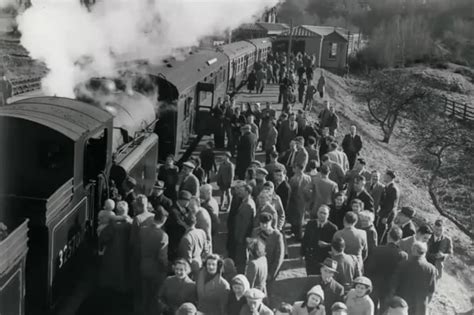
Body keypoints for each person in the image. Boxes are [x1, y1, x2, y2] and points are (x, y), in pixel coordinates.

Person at [365, 226, 408, 314]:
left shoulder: (377, 249)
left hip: (375, 284)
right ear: (399, 239)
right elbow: (402, 274)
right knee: (385, 311)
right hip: (390, 287)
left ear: (388, 236)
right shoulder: (403, 255)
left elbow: (369, 267)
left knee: (372, 309)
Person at [390, 242, 437, 315]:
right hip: (420, 307)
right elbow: (431, 291)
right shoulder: (431, 269)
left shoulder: (402, 264)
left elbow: (393, 285)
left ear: (412, 250)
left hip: (401, 305)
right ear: (425, 252)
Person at [137, 207, 169, 315]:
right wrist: (166, 268)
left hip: (143, 265)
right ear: (164, 220)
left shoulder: (143, 230)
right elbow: (162, 257)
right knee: (155, 297)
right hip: (156, 270)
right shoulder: (163, 235)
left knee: (144, 294)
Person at [302, 205, 338, 275]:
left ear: (328, 215)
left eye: (324, 213)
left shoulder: (333, 228)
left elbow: (336, 245)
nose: (322, 215)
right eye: (320, 212)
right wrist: (302, 254)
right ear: (317, 213)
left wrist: (327, 245)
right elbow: (305, 239)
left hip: (324, 259)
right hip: (311, 258)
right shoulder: (310, 224)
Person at [253, 213, 285, 285]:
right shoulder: (255, 232)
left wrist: (271, 273)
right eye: (262, 223)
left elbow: (279, 257)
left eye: (266, 223)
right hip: (258, 269)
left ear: (270, 222)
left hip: (269, 269)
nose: (264, 225)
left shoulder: (277, 236)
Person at [231, 183, 256, 273]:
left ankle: (241, 273)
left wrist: (240, 238)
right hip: (241, 236)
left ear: (247, 192)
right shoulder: (246, 201)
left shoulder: (248, 205)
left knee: (241, 258)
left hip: (242, 237)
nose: (239, 192)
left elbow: (245, 224)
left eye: (242, 191)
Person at [288, 163, 312, 241]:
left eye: (294, 168)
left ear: (297, 169)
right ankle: (298, 233)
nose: (293, 169)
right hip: (305, 200)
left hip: (296, 200)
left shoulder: (293, 179)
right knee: (302, 217)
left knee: (298, 219)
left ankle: (299, 235)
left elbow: (290, 191)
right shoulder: (308, 177)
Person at [166, 190, 192, 261]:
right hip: (175, 242)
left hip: (182, 240)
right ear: (182, 200)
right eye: (188, 201)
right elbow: (181, 224)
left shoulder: (187, 209)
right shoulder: (173, 211)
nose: (189, 203)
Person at [377, 170, 399, 243]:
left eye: (385, 175)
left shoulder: (393, 188)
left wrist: (386, 216)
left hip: (387, 214)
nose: (384, 176)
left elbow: (392, 205)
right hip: (383, 212)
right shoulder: (388, 186)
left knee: (382, 232)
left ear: (389, 177)